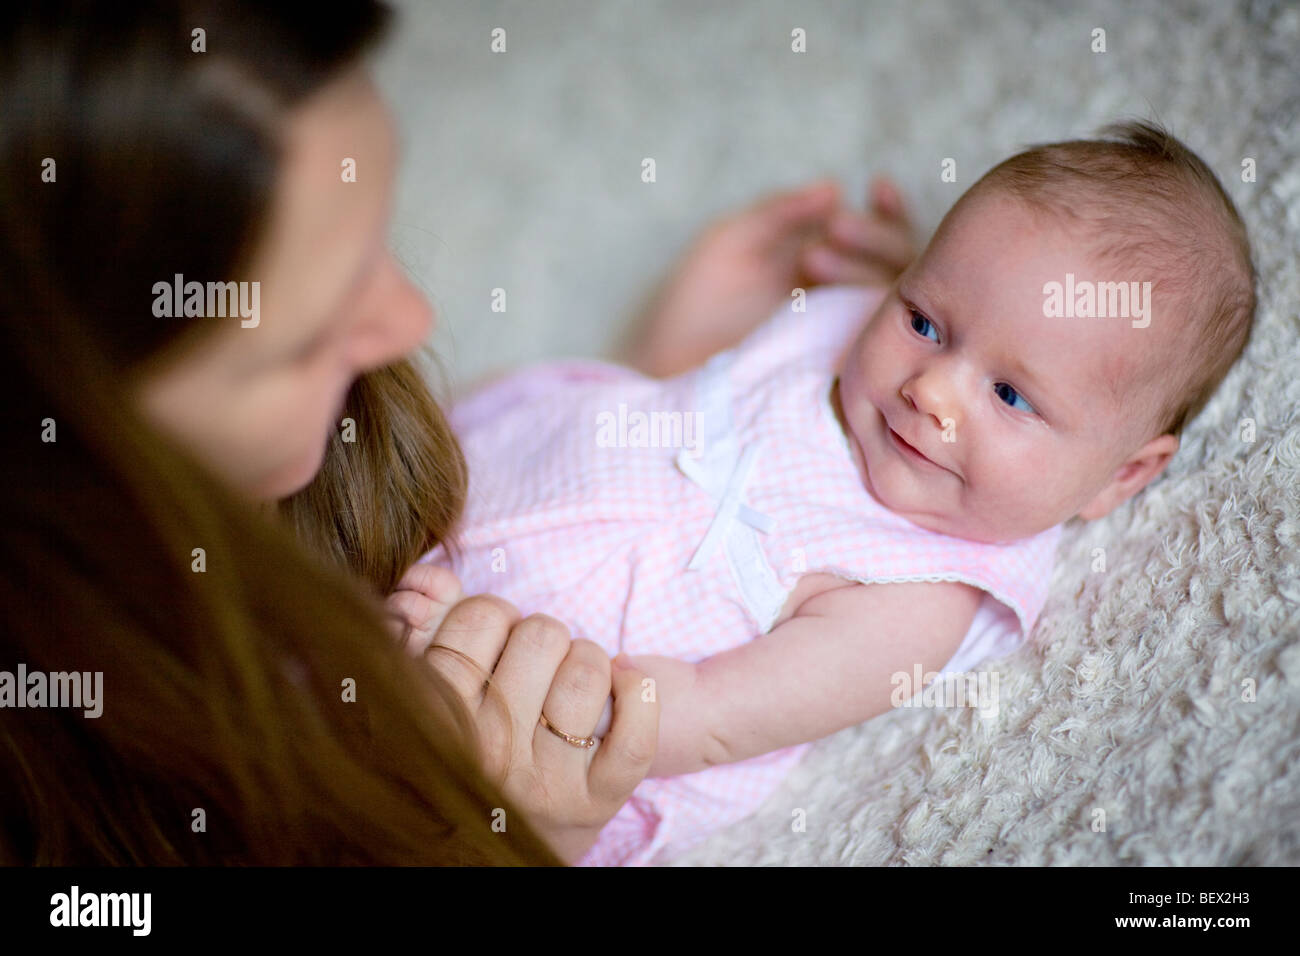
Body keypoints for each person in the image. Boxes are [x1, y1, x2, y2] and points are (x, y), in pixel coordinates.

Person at [0, 0, 904, 865]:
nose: (412, 319)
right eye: (307, 339)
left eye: (374, 242)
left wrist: (648, 384)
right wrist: (519, 844)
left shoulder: (348, 448)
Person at [400, 121, 1256, 865]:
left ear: (1122, 475)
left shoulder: (915, 599)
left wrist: (471, 659)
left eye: (1010, 395)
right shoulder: (855, 339)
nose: (934, 391)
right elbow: (706, 397)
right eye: (925, 320)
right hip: (476, 472)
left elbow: (709, 717)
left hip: (518, 690)